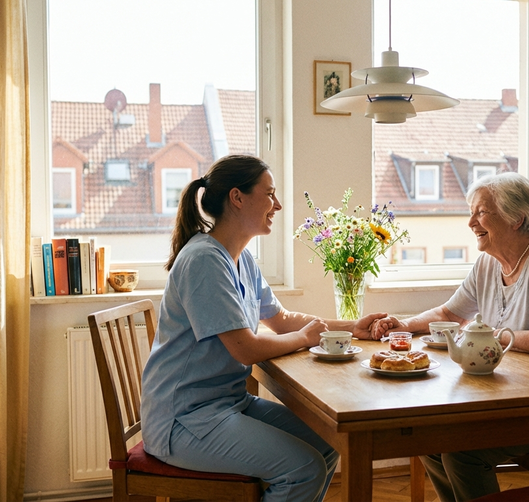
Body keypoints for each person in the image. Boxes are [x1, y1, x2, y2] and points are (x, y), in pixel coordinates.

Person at [141, 154, 386, 501]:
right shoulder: (204, 261)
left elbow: (281, 319)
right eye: (270, 194)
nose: (279, 205)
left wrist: (352, 328)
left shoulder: (242, 259)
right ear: (237, 198)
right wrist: (304, 338)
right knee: (303, 468)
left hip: (227, 403)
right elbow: (245, 348)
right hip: (183, 421)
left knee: (327, 444)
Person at [371, 171, 529, 502]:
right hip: (520, 394)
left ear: (515, 219)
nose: (470, 222)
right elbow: (449, 314)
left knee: (463, 452)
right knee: (430, 440)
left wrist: (492, 335)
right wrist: (402, 324)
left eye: (480, 212)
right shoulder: (488, 264)